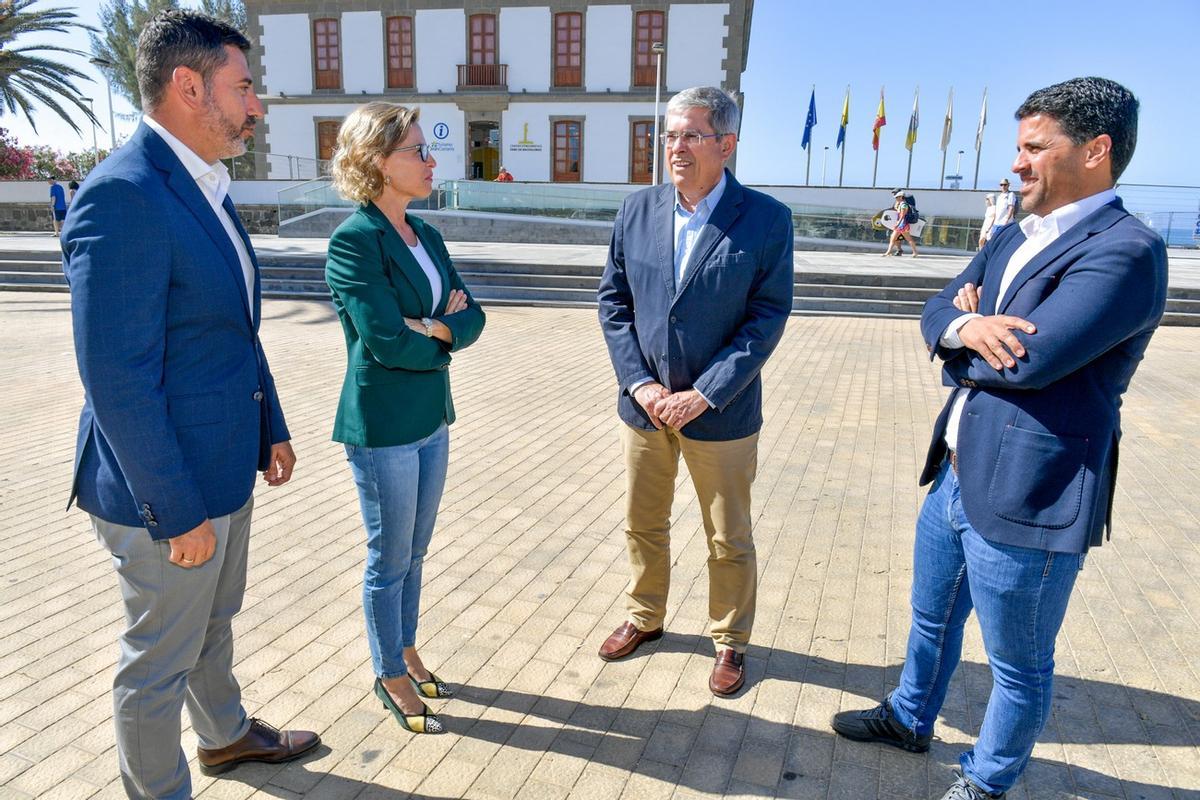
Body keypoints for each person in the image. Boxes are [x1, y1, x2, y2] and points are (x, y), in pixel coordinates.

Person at [831, 77, 1167, 800]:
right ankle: (909, 718)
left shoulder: (1127, 251)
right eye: (1018, 147)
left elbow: (1033, 359)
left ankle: (986, 783)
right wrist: (964, 324)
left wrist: (965, 333)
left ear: (1096, 150)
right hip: (955, 471)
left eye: (1034, 148)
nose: (1016, 164)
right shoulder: (1013, 232)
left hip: (1031, 493)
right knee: (930, 619)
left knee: (1018, 664)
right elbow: (937, 307)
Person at [62, 12, 319, 798]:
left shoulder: (204, 183)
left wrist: (268, 423)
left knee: (212, 625)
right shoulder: (124, 196)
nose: (256, 106)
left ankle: (226, 736)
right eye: (243, 87)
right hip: (164, 491)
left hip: (222, 466)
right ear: (188, 86)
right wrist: (174, 511)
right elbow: (117, 380)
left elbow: (231, 327)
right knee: (157, 663)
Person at [596, 86, 794, 697]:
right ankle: (644, 616)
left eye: (691, 135)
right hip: (646, 410)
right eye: (670, 135)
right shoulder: (637, 209)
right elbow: (614, 303)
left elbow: (766, 318)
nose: (675, 147)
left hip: (722, 414)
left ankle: (730, 639)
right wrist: (641, 384)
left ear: (726, 144)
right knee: (642, 523)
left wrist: (704, 394)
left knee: (728, 535)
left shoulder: (766, 219)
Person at [325, 102, 486, 735]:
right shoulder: (355, 240)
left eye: (426, 149)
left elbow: (473, 315)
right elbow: (386, 340)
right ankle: (389, 672)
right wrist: (435, 328)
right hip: (384, 423)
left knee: (415, 553)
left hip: (430, 416)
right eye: (416, 151)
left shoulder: (430, 235)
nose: (430, 160)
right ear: (375, 162)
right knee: (388, 558)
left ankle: (408, 650)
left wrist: (438, 325)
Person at [884, 189, 919, 257]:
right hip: (902, 225)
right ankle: (888, 252)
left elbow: (902, 215)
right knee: (893, 238)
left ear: (901, 197)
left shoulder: (904, 205)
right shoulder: (901, 204)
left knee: (907, 239)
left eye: (897, 197)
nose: (896, 198)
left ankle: (915, 252)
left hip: (902, 225)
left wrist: (898, 223)